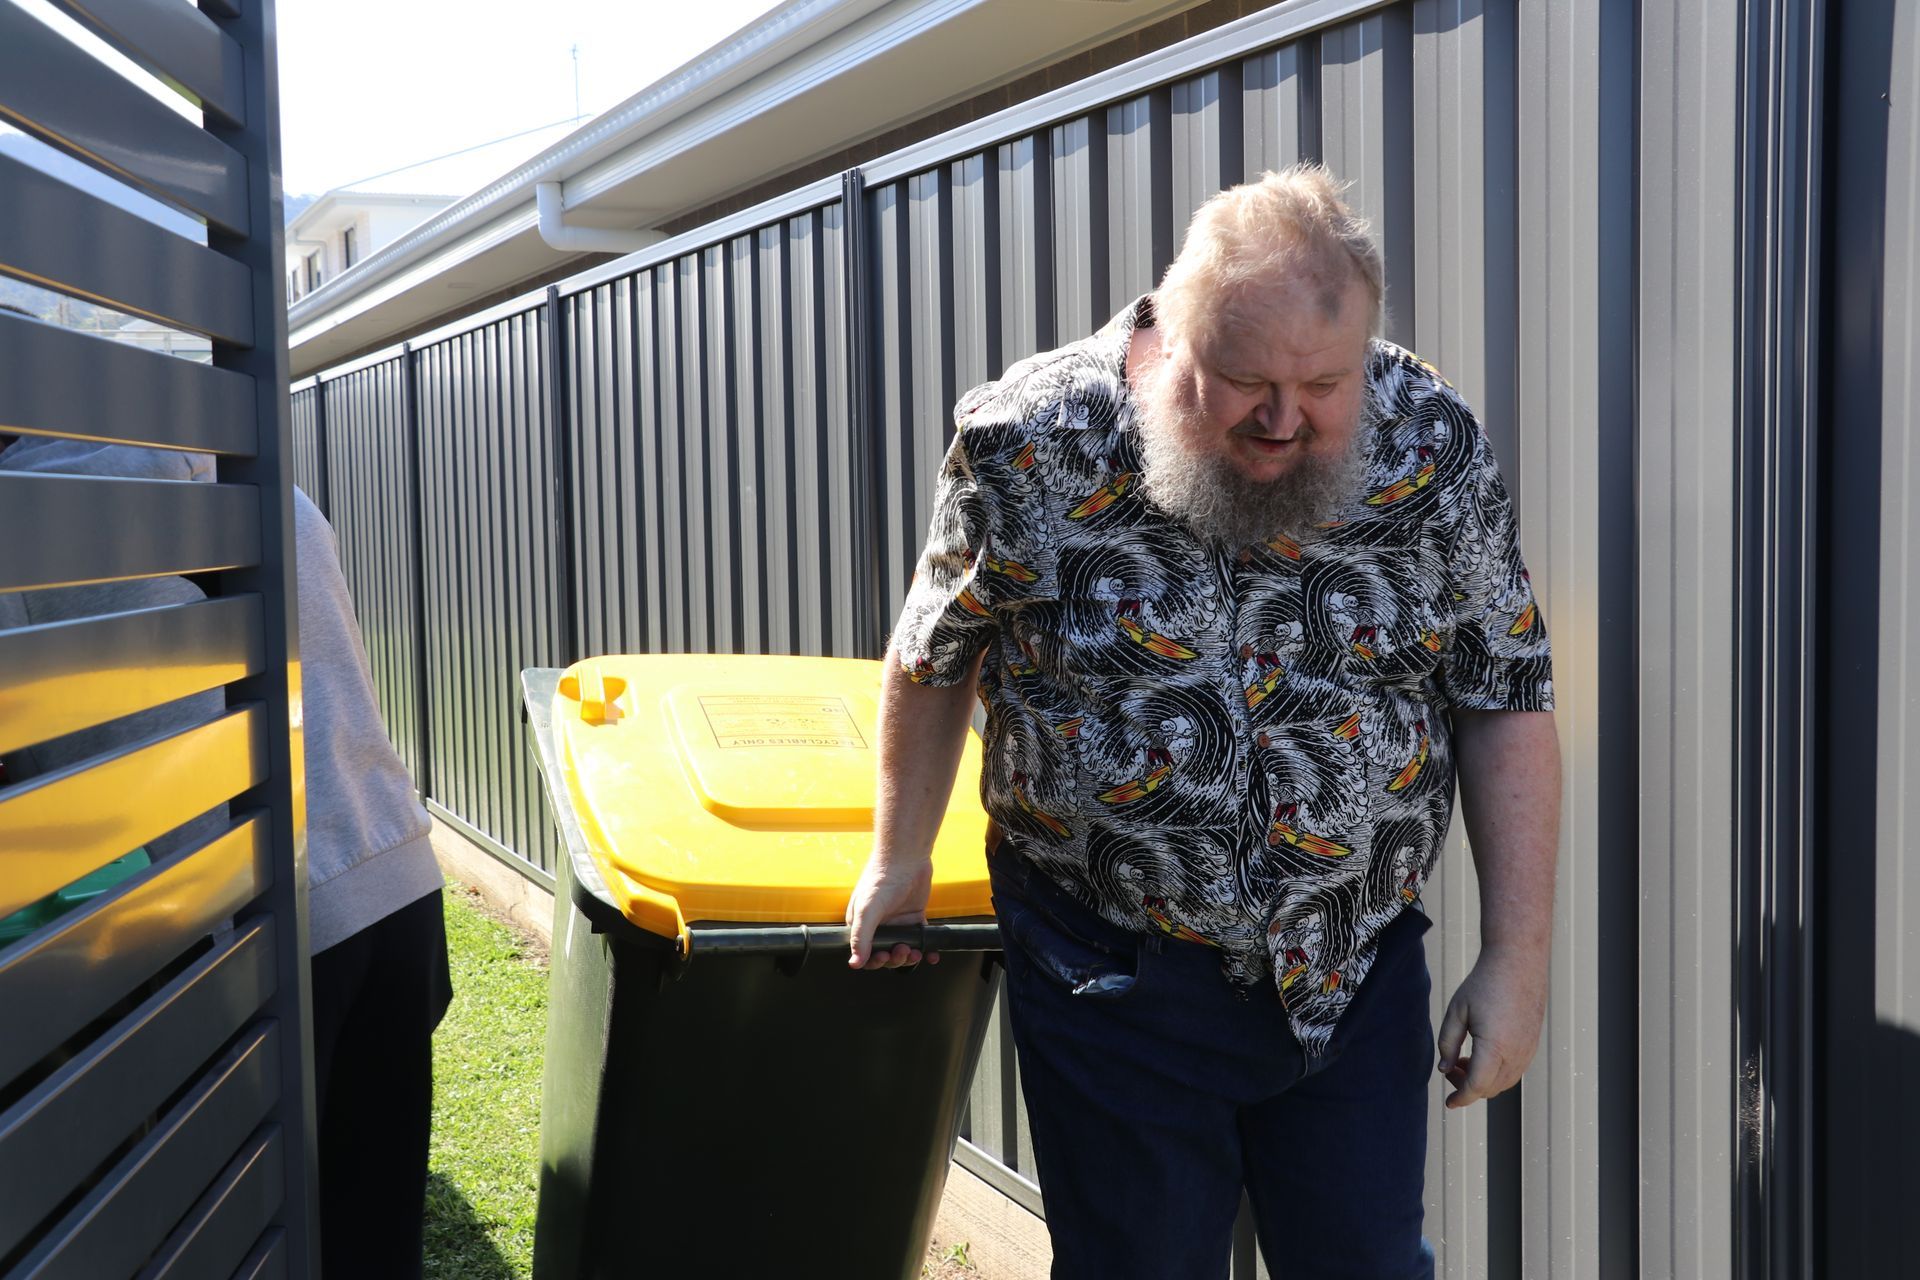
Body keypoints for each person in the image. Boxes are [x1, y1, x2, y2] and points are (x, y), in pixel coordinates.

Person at [845, 164, 1560, 1279]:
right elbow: (934, 654)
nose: (1283, 418)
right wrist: (898, 853)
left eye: (1323, 383)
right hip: (1111, 972)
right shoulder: (1034, 442)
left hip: (1352, 969)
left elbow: (1504, 686)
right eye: (1242, 382)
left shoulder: (1429, 443)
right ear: (1170, 336)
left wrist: (1517, 957)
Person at [0, 415, 449, 1278]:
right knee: (374, 1234)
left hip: (251, 929)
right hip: (392, 871)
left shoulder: (26, 511)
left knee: (239, 1238)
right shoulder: (236, 461)